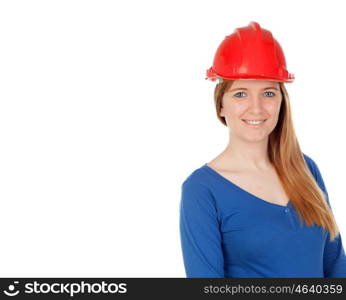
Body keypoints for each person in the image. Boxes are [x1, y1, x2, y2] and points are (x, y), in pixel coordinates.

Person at [179, 21, 346, 278]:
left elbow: (335, 264)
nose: (256, 108)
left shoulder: (306, 168)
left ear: (282, 101)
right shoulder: (202, 190)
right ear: (221, 106)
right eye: (240, 94)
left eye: (268, 93)